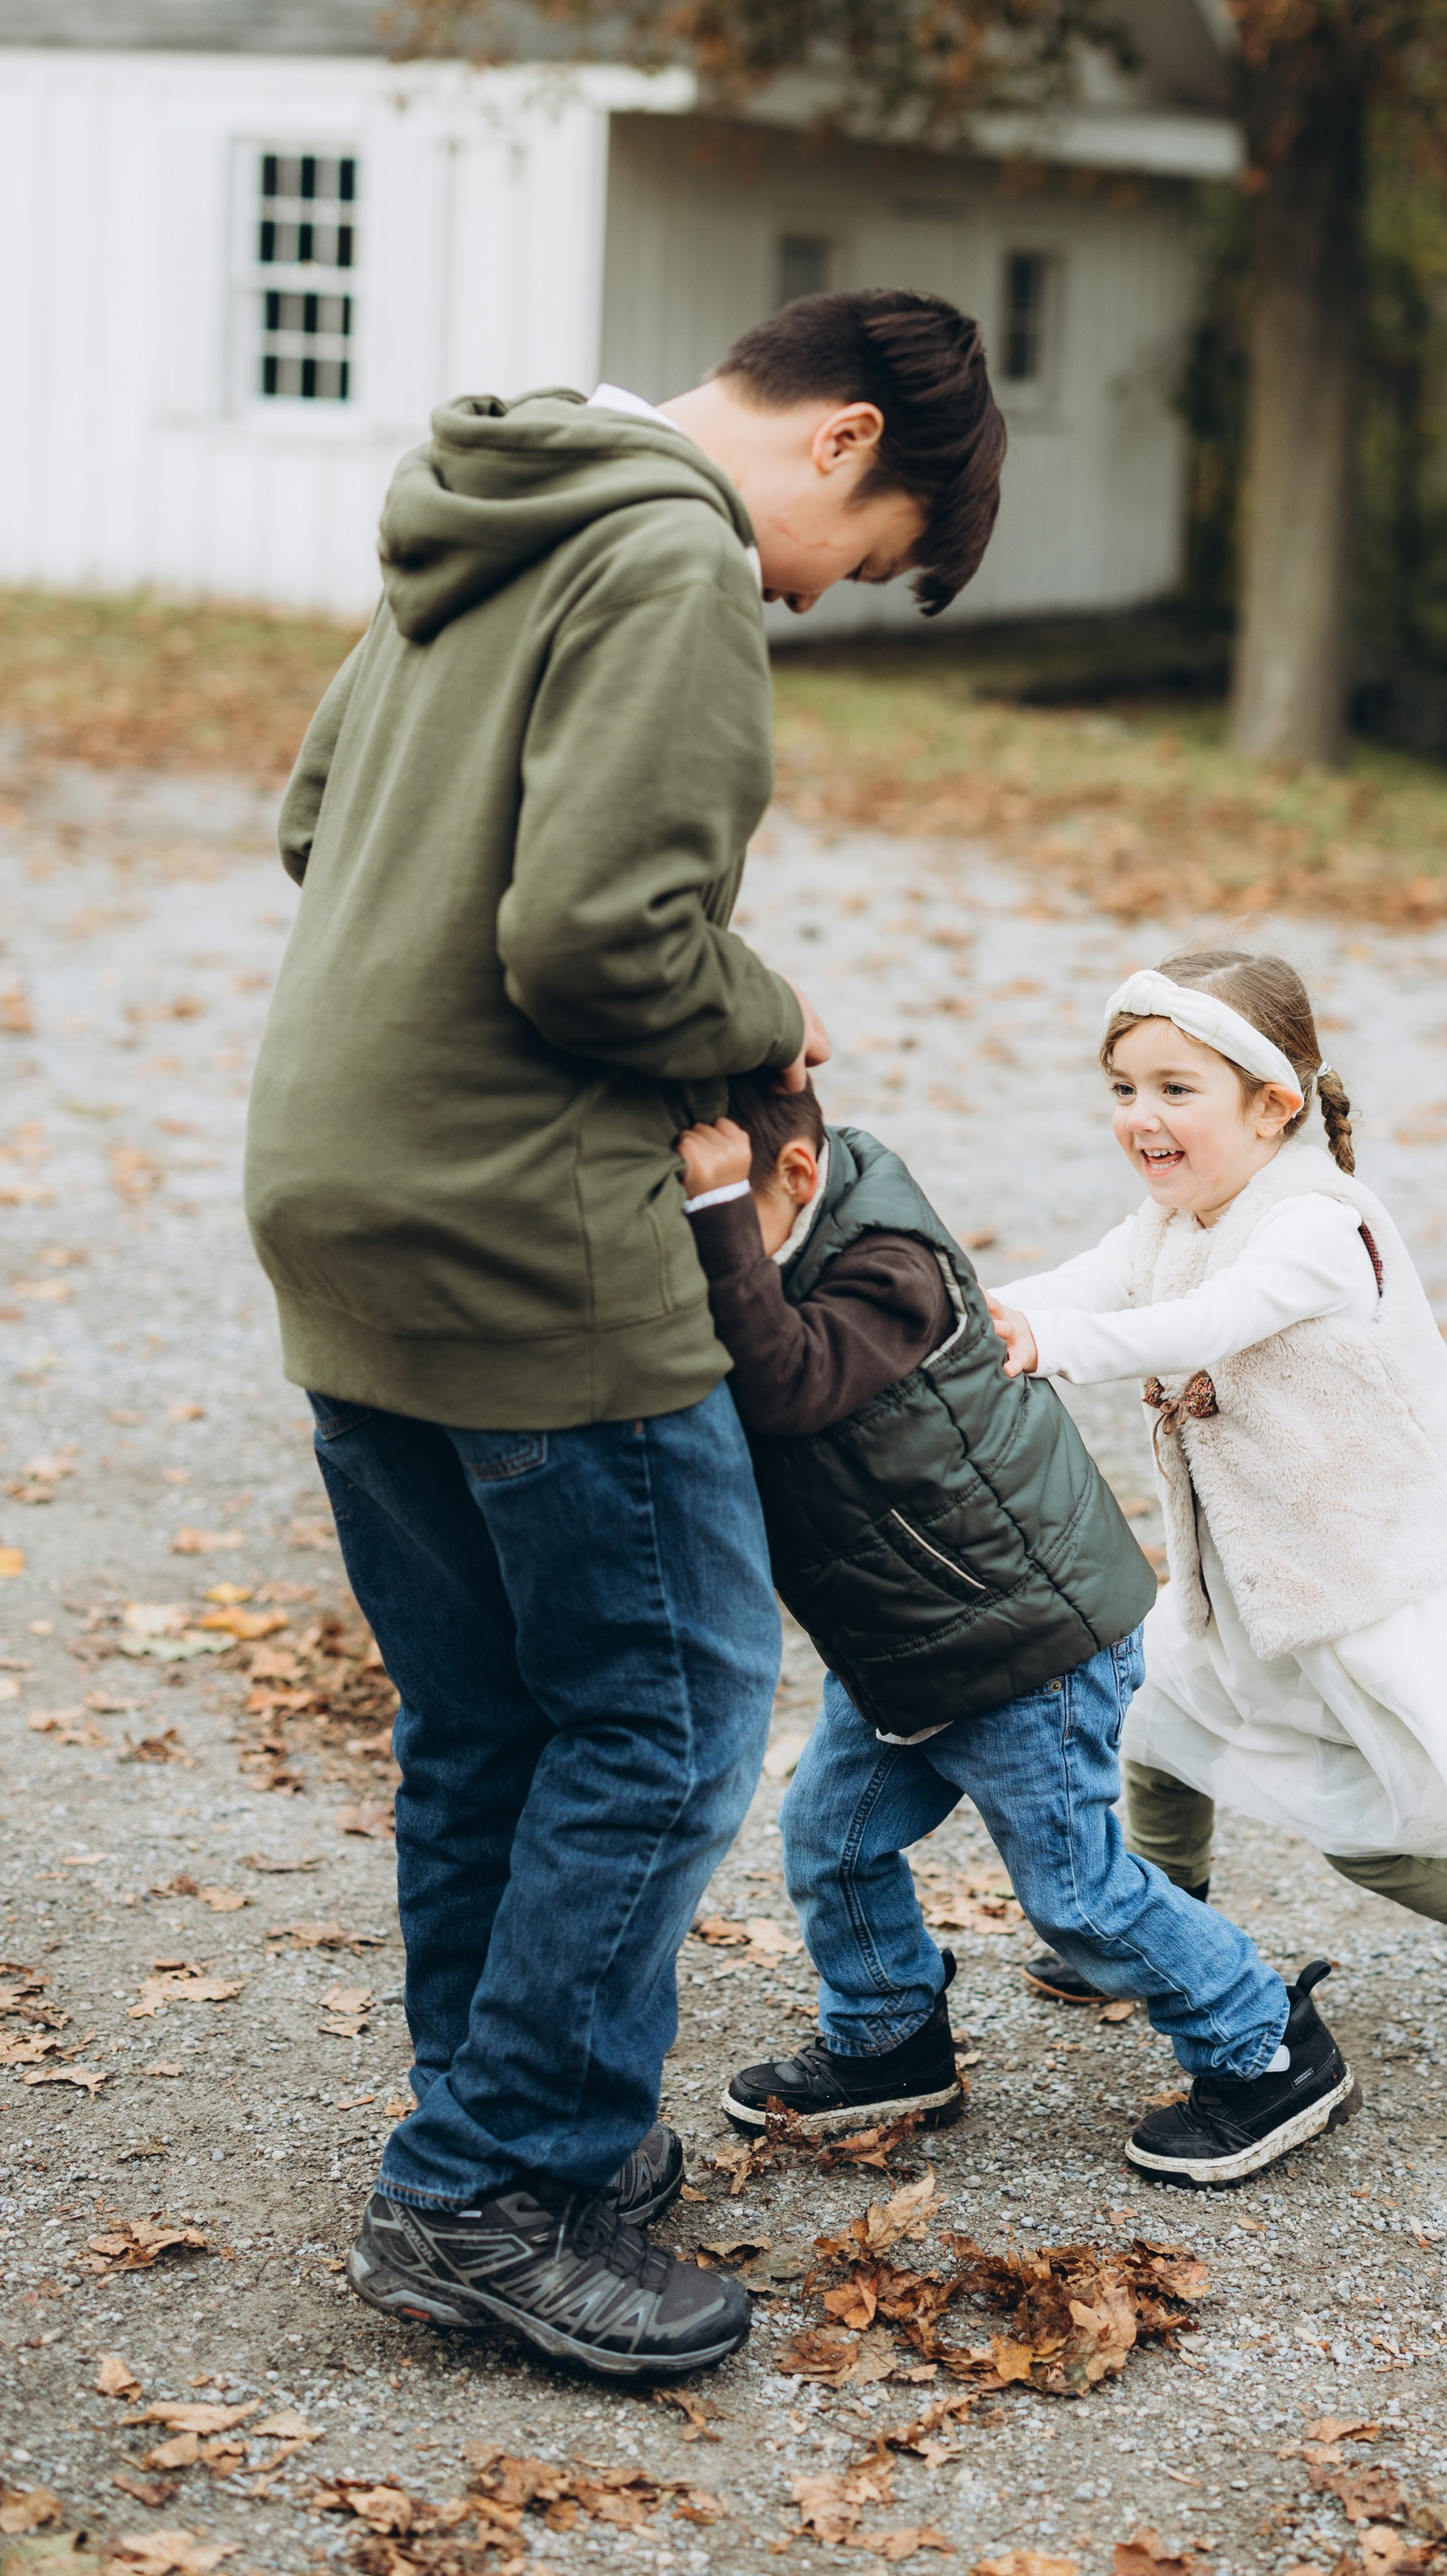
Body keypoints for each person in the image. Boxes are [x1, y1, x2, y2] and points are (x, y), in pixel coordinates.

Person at [242, 290, 1007, 2382]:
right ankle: (494, 2185)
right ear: (846, 438)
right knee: (667, 1722)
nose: (816, 591)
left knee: (489, 1716)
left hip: (340, 1184)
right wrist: (771, 1019)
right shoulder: (672, 553)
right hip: (524, 1228)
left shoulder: (485, 519)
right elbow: (597, 944)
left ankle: (500, 2133)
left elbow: (320, 821)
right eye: (867, 556)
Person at [987, 950, 1447, 2131]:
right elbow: (1089, 1281)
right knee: (1153, 1723)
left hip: (1361, 1586)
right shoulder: (1176, 1211)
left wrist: (1045, 1350)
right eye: (1123, 1090)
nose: (1141, 1119)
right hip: (1255, 1578)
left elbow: (1203, 1321)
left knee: (1380, 1838)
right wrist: (975, 1312)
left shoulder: (1316, 1222)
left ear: (1273, 1104)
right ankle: (1160, 1927)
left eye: (1174, 1089)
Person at [673, 1071, 1359, 2188]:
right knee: (831, 1840)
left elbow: (783, 1385)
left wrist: (713, 1224)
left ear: (794, 1178)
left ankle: (1266, 2044)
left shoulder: (887, 1268)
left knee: (1079, 1895)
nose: (706, 1256)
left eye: (716, 1216)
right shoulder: (786, 1230)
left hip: (1020, 1644)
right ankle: (890, 2035)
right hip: (901, 1645)